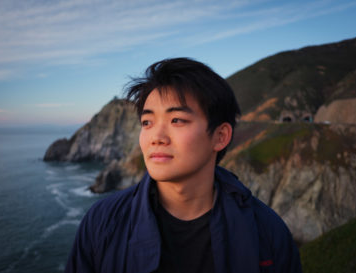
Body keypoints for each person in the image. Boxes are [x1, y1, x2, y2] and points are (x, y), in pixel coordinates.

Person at [65, 58, 302, 273]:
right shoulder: (102, 222)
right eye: (147, 121)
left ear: (220, 136)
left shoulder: (266, 231)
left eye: (177, 120)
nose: (156, 136)